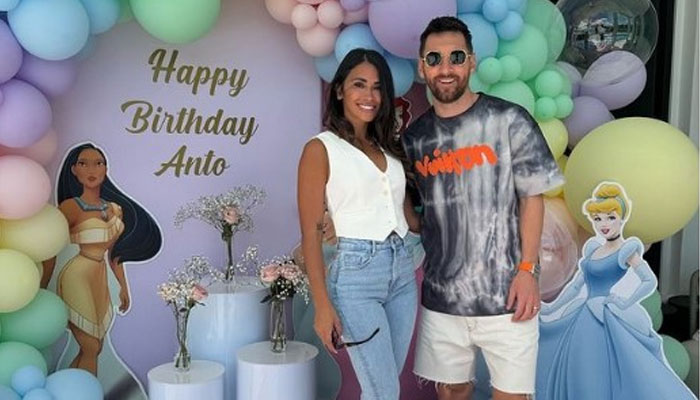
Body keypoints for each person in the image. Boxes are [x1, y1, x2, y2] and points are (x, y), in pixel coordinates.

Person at [402, 17, 564, 400]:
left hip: (507, 296)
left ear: (472, 62)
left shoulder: (509, 120)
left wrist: (528, 270)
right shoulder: (413, 140)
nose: (446, 68)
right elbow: (414, 215)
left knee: (512, 396)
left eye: (456, 57)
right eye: (435, 58)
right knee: (452, 393)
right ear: (422, 67)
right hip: (443, 299)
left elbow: (532, 198)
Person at [297, 48, 420, 399]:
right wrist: (322, 306)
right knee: (383, 393)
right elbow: (310, 233)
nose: (369, 96)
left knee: (382, 388)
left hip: (402, 273)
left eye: (378, 87)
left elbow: (410, 219)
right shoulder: (320, 149)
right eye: (359, 85)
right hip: (355, 278)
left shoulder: (389, 148)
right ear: (339, 90)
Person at [536, 182, 697, 400]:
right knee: (579, 367)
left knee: (614, 370)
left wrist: (624, 302)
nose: (604, 224)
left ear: (621, 218)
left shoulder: (626, 250)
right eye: (599, 218)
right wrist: (551, 307)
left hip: (608, 315)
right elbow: (576, 285)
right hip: (583, 314)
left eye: (610, 217)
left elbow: (648, 281)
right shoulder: (593, 248)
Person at [42, 143, 162, 398]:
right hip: (77, 276)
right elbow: (50, 249)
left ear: (106, 169)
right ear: (74, 169)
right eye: (84, 163)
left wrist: (124, 288)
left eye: (98, 162)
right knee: (91, 345)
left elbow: (114, 255)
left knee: (94, 349)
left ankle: (68, 393)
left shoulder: (114, 208)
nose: (92, 169)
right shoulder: (70, 208)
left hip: (100, 279)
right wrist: (42, 287)